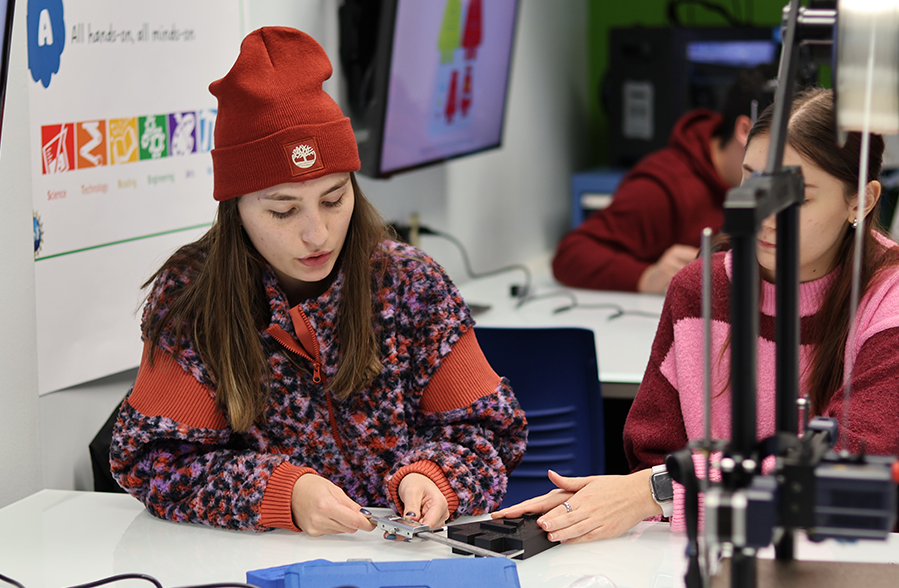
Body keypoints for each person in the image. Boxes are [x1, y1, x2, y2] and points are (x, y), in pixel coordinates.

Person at [110, 27, 526, 537]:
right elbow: (156, 463)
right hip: (255, 576)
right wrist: (282, 493)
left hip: (404, 563)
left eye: (333, 199)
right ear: (235, 209)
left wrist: (435, 477)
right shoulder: (192, 298)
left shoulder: (411, 284)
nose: (318, 233)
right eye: (283, 210)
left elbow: (488, 432)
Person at [495, 87, 899, 543]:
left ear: (860, 201)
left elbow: (848, 479)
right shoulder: (700, 288)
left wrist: (659, 492)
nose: (765, 214)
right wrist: (639, 495)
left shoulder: (889, 302)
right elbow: (652, 457)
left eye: (797, 197)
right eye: (753, 182)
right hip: (709, 551)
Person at [553, 66, 777, 294]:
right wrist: (646, 276)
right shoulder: (664, 186)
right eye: (784, 140)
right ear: (745, 130)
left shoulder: (787, 185)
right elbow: (572, 254)